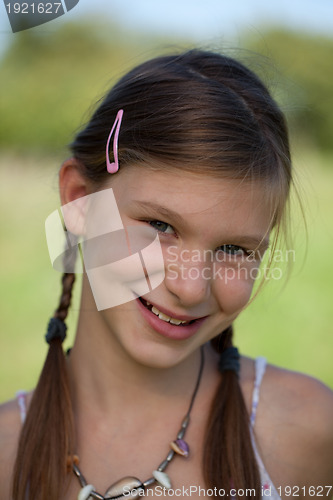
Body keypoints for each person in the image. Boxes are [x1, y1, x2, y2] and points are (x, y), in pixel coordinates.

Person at [0, 49, 332, 500]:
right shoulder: (5, 455)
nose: (189, 286)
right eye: (160, 226)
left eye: (233, 249)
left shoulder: (306, 430)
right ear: (80, 199)